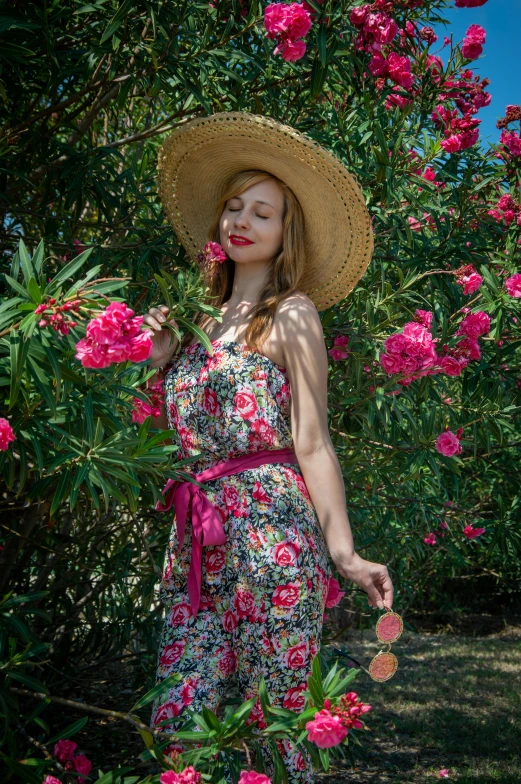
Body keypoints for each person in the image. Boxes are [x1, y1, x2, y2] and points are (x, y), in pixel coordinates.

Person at [143, 112, 394, 783]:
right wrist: (154, 358)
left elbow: (311, 441)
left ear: (285, 233)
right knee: (178, 720)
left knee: (276, 724)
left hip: (272, 533)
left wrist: (343, 551)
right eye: (232, 206)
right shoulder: (188, 322)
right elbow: (148, 437)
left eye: (262, 212)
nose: (241, 220)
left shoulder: (290, 315)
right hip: (196, 539)